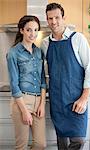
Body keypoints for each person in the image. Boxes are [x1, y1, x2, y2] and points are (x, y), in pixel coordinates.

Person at [41, 3, 90, 150]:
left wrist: (84, 98)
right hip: (57, 101)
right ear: (47, 20)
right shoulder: (45, 44)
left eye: (57, 17)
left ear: (63, 18)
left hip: (76, 101)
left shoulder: (78, 39)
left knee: (78, 141)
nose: (54, 22)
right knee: (62, 144)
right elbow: (44, 72)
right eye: (50, 18)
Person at [6, 15, 46, 150]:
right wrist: (24, 111)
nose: (33, 34)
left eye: (35, 30)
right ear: (21, 30)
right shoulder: (13, 53)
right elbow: (14, 84)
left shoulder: (39, 52)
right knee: (21, 146)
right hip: (21, 101)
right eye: (29, 30)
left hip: (38, 101)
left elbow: (42, 80)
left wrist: (42, 103)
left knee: (41, 144)